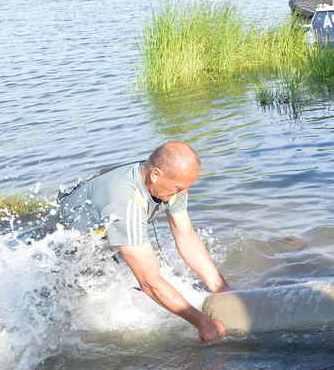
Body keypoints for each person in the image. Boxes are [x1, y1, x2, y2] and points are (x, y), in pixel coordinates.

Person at [58, 140, 231, 343]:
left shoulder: (173, 183)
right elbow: (149, 282)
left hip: (104, 231)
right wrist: (203, 323)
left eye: (185, 188)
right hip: (71, 245)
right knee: (80, 307)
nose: (182, 193)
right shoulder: (125, 202)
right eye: (178, 189)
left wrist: (221, 290)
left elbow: (185, 235)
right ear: (155, 174)